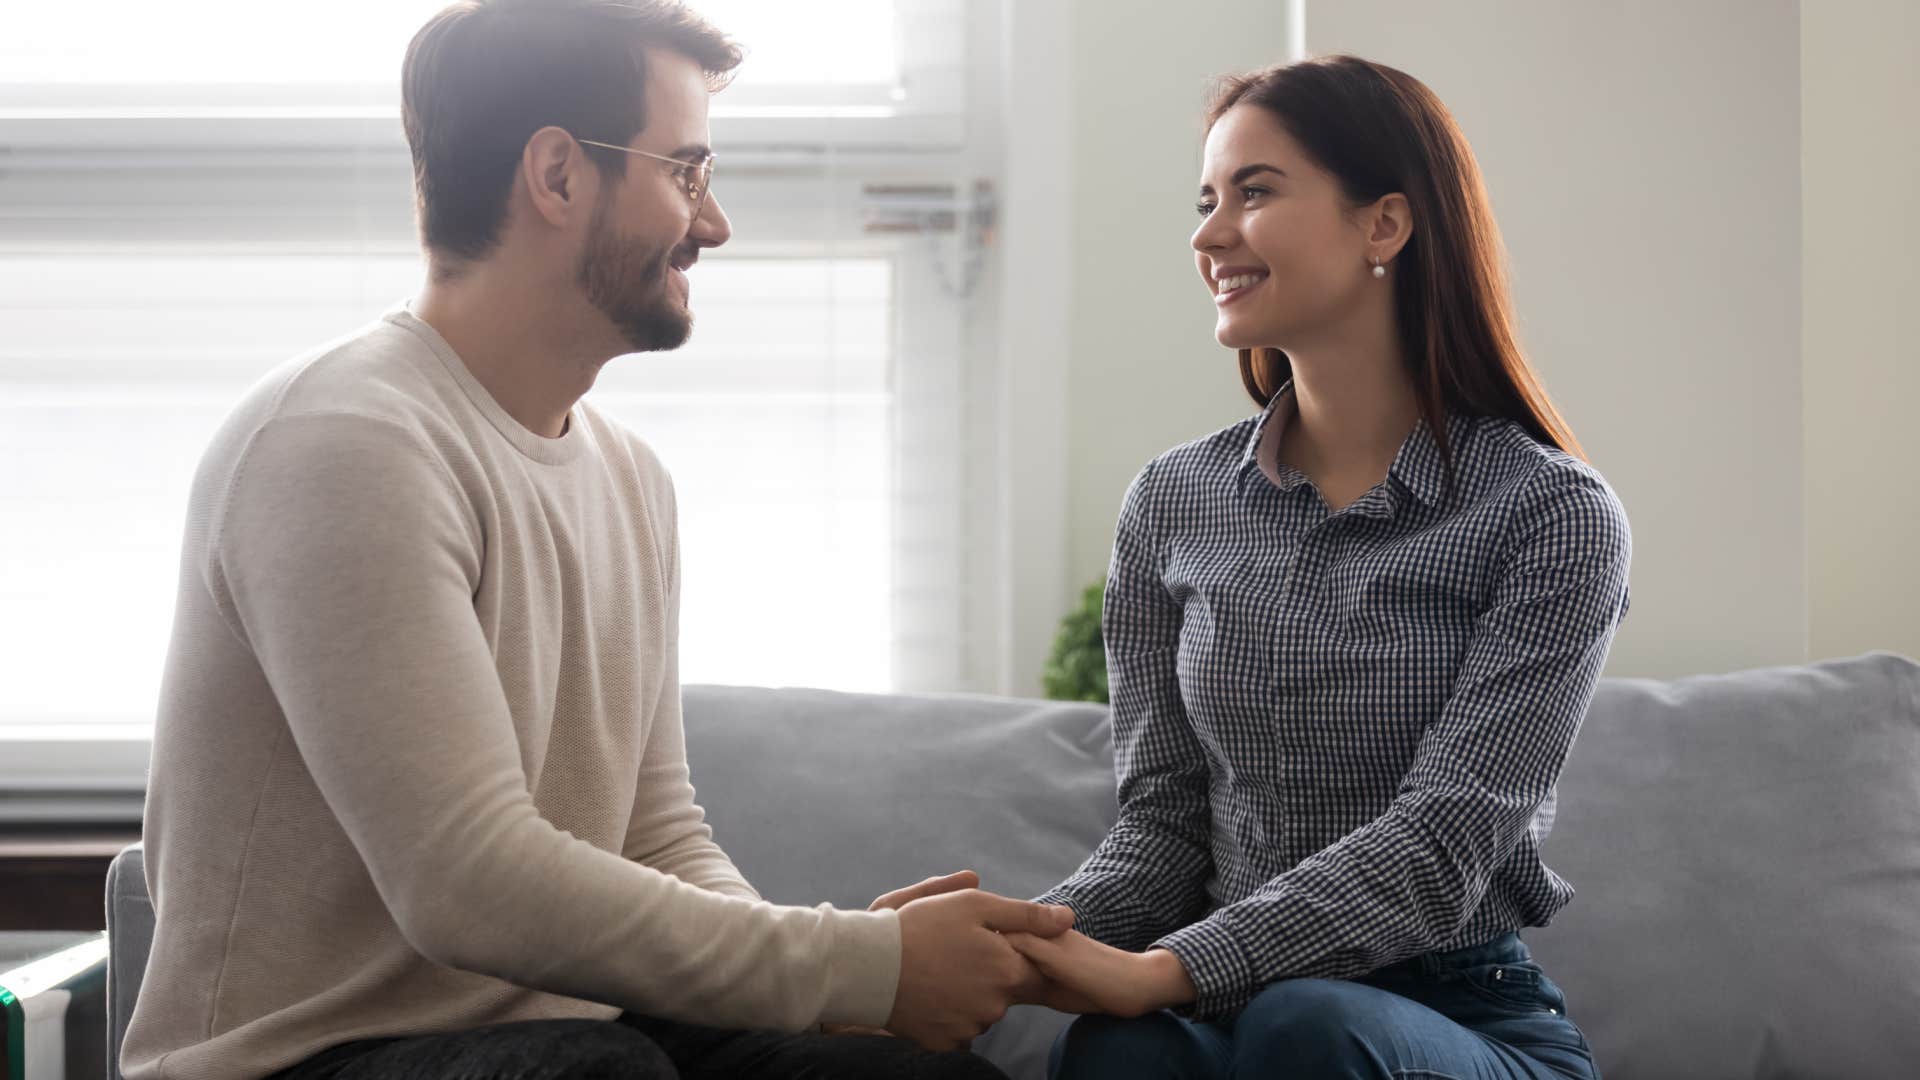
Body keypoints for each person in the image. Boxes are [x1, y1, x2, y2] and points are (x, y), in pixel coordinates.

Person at [118, 2, 1073, 1078]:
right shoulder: (343, 440)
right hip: (300, 1058)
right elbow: (466, 884)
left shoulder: (630, 479)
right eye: (688, 173)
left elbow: (654, 832)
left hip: (566, 1031)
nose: (714, 226)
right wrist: (855, 964)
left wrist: (827, 1000)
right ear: (560, 176)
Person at [1004, 55, 1631, 1080]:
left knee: (1305, 1025)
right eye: (1206, 200)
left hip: (1457, 1016)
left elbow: (1443, 844)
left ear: (1384, 224)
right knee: (1122, 1051)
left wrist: (1170, 971)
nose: (1209, 236)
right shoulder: (1172, 501)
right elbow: (1164, 826)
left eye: (1254, 193)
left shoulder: (1551, 514)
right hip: (1234, 1004)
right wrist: (1017, 943)